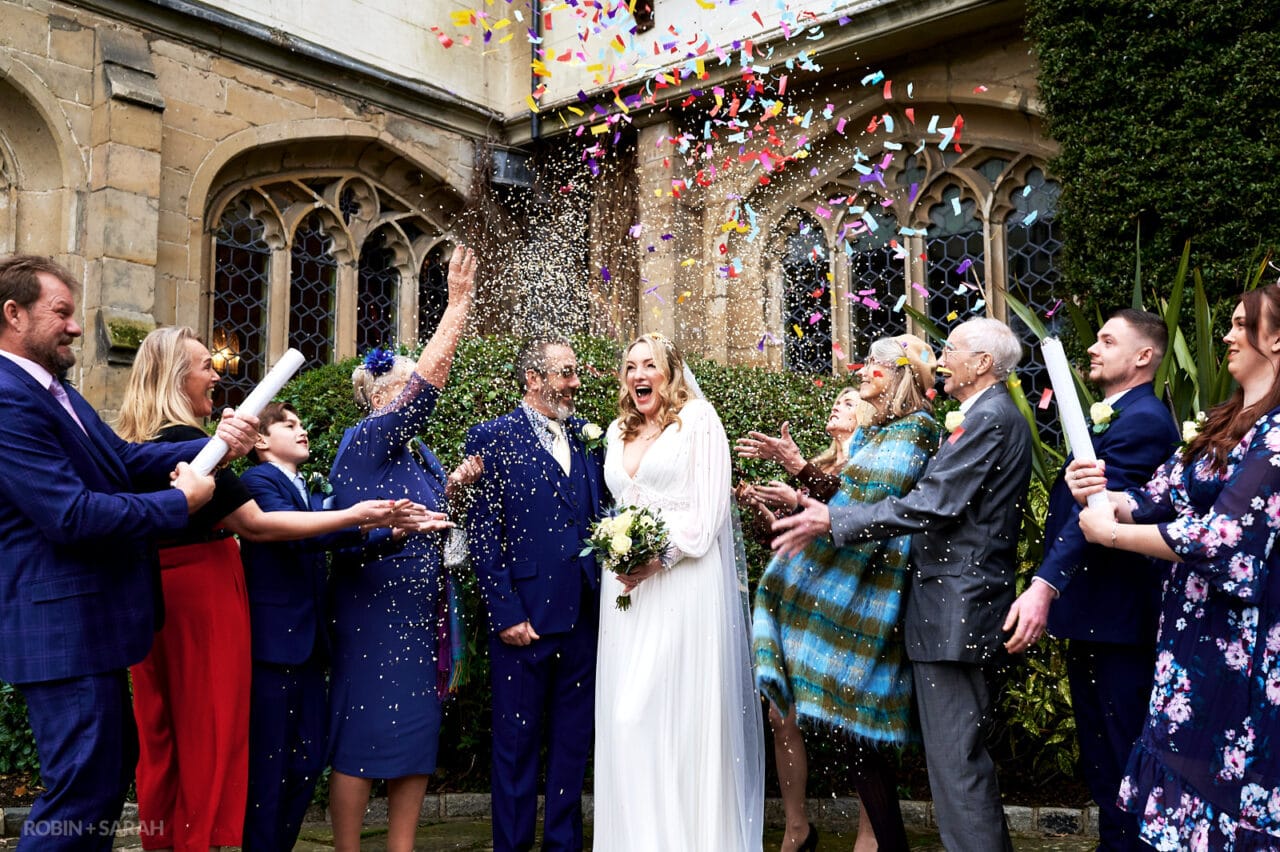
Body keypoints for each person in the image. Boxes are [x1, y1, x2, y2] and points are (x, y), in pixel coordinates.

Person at [115, 326, 421, 852]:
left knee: (171, 742)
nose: (217, 374)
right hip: (201, 598)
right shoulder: (188, 446)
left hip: (158, 595)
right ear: (172, 377)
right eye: (204, 366)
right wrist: (357, 515)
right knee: (208, 737)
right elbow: (256, 525)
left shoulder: (142, 445)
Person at [0, 255, 256, 850]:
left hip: (94, 625)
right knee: (80, 794)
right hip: (62, 632)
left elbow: (120, 461)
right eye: (60, 312)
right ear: (13, 314)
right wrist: (179, 505)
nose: (73, 326)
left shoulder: (55, 391)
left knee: (102, 787)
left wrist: (212, 448)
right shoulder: (9, 399)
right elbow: (71, 514)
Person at [773, 316, 1032, 852]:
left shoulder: (989, 419)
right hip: (947, 608)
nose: (943, 360)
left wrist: (834, 521)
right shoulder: (985, 414)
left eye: (953, 350)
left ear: (983, 363)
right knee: (953, 764)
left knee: (957, 766)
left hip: (955, 609)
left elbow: (934, 502)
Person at [1070, 285, 1280, 850]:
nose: (1230, 336)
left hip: (1245, 647)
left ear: (1277, 338)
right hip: (1190, 642)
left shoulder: (1279, 432)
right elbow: (1159, 495)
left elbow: (1225, 538)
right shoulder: (1225, 419)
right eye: (1231, 323)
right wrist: (1103, 496)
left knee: (1227, 788)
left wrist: (1114, 534)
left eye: (1242, 325)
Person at [752, 335, 940, 852]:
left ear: (899, 376)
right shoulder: (879, 434)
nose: (861, 372)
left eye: (873, 366)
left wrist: (800, 477)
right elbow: (848, 500)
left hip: (875, 595)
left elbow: (869, 504)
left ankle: (882, 844)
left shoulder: (918, 430)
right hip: (850, 587)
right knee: (851, 735)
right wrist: (801, 475)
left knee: (862, 728)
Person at [1003, 310, 1179, 850]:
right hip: (1095, 616)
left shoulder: (1146, 418)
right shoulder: (1114, 416)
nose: (1095, 349)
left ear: (1144, 356)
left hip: (1119, 616)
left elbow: (1099, 519)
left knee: (1122, 753)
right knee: (1100, 756)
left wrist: (1044, 585)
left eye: (1108, 340)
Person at [325, 245, 476, 852]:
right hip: (373, 611)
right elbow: (428, 389)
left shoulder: (421, 455)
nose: (409, 395)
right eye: (402, 385)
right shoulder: (363, 441)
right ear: (380, 398)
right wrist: (457, 306)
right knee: (363, 741)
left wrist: (454, 487)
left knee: (416, 739)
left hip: (419, 615)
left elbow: (428, 513)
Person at [593, 332, 764, 851]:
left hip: (682, 585)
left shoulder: (700, 424)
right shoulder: (615, 431)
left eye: (649, 365)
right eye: (630, 366)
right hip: (625, 592)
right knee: (624, 720)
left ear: (670, 371)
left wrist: (658, 556)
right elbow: (618, 509)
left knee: (664, 716)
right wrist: (618, 552)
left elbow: (710, 513)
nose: (638, 374)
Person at [464, 338, 608, 852]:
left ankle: (564, 845)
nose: (574, 383)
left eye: (574, 372)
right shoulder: (492, 437)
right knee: (516, 750)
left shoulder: (591, 439)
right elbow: (482, 531)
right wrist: (504, 611)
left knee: (572, 748)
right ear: (533, 378)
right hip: (523, 620)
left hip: (585, 619)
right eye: (564, 373)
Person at [239, 402, 366, 851]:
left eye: (301, 423)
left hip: (310, 647)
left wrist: (391, 531)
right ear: (258, 440)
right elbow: (304, 532)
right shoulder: (258, 482)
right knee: (270, 769)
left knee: (308, 761)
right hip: (273, 648)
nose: (302, 430)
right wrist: (365, 518)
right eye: (288, 425)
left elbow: (322, 532)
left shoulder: (304, 490)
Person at [735, 387, 868, 540]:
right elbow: (778, 534)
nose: (835, 407)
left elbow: (847, 523)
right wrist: (756, 505)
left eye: (848, 404)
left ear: (864, 417)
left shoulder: (863, 465)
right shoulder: (818, 466)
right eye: (836, 403)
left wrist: (794, 502)